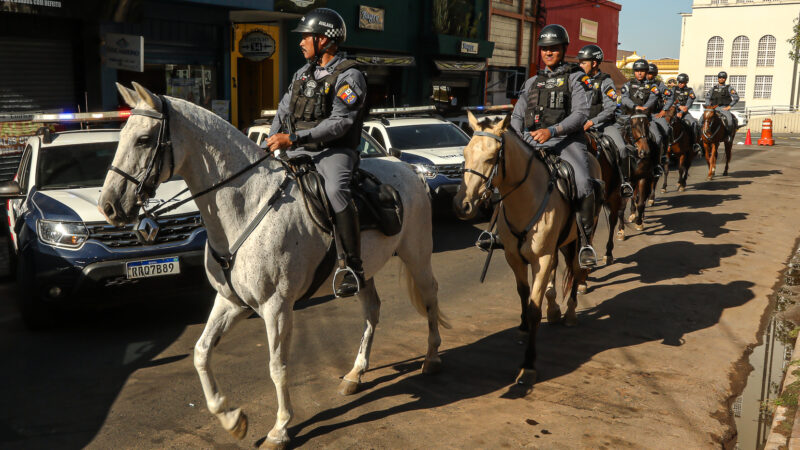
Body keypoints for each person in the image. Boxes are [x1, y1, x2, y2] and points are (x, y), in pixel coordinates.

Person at [267, 7, 367, 297]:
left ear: (323, 40)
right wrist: (270, 141)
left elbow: (340, 123)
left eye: (305, 37)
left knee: (336, 189)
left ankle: (353, 267)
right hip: (299, 149)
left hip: (334, 152)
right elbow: (283, 110)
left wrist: (294, 138)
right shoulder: (302, 73)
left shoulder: (350, 76)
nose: (300, 42)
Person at [511, 24, 599, 268]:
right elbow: (517, 116)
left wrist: (552, 131)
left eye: (554, 48)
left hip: (566, 142)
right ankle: (499, 233)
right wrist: (521, 137)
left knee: (582, 182)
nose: (548, 53)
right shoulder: (531, 83)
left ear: (563, 49)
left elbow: (581, 114)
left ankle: (584, 242)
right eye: (545, 49)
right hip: (532, 142)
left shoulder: (576, 79)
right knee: (504, 177)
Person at [577, 43, 633, 198]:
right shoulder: (577, 80)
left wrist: (591, 122)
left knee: (621, 148)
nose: (580, 65)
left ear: (594, 63)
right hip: (579, 126)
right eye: (579, 62)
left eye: (583, 62)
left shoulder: (605, 81)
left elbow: (610, 109)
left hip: (602, 126)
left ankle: (624, 182)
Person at [619, 59, 663, 174]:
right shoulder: (627, 85)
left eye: (642, 71)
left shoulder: (653, 86)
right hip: (629, 118)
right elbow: (624, 98)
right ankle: (619, 169)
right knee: (617, 140)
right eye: (637, 70)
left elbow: (653, 98)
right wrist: (635, 106)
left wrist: (645, 108)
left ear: (646, 72)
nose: (639, 73)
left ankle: (656, 165)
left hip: (646, 119)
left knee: (657, 138)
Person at [646, 63, 674, 169]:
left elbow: (670, 97)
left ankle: (662, 156)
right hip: (640, 115)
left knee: (666, 130)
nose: (649, 75)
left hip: (655, 115)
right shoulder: (639, 84)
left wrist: (664, 110)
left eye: (652, 73)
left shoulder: (660, 85)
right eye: (648, 73)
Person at [672, 73, 703, 154]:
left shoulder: (690, 91)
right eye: (679, 82)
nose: (680, 84)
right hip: (673, 112)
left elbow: (689, 104)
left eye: (682, 82)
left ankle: (695, 144)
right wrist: (679, 106)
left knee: (694, 123)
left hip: (685, 113)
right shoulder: (673, 89)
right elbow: (670, 100)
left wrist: (682, 112)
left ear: (686, 82)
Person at [705, 71, 739, 137]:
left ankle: (728, 136)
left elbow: (736, 98)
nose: (721, 79)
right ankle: (700, 138)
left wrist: (729, 106)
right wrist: (709, 106)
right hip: (713, 108)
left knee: (729, 121)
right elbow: (707, 97)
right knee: (701, 120)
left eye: (723, 78)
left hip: (724, 108)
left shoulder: (729, 88)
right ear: (718, 78)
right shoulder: (713, 88)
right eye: (720, 77)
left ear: (725, 79)